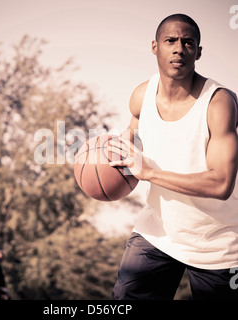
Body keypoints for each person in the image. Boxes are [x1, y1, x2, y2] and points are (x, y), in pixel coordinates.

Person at [109, 13, 238, 300]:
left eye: (188, 42)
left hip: (218, 246)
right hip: (158, 233)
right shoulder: (142, 96)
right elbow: (130, 140)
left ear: (198, 52)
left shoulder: (218, 103)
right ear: (155, 47)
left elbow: (221, 184)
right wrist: (106, 160)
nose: (179, 48)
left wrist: (149, 173)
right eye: (170, 41)